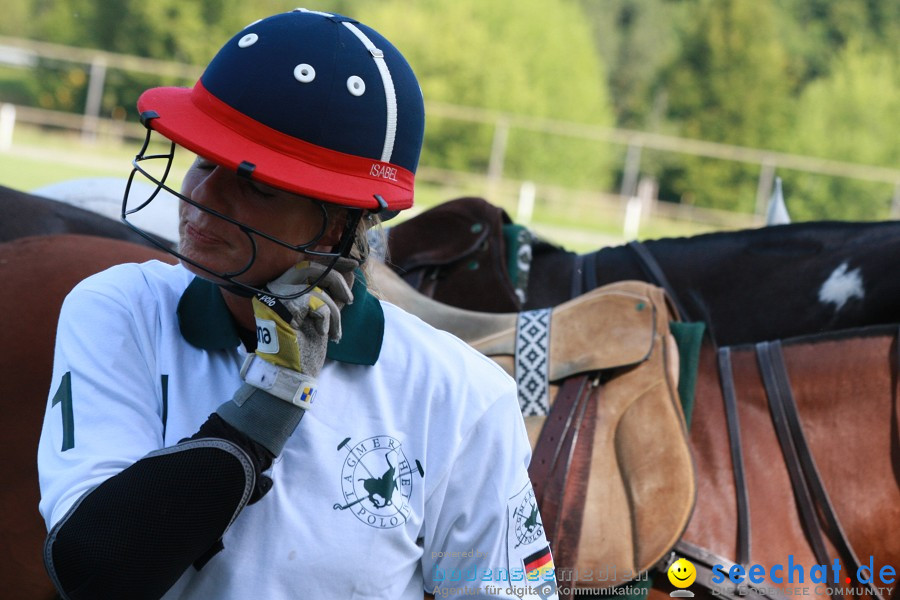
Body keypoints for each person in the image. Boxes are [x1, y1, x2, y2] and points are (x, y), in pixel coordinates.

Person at [37, 9, 558, 600]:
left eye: (255, 184)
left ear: (343, 221)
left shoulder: (463, 395)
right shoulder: (120, 310)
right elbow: (97, 571)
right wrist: (267, 405)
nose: (202, 196)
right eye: (204, 160)